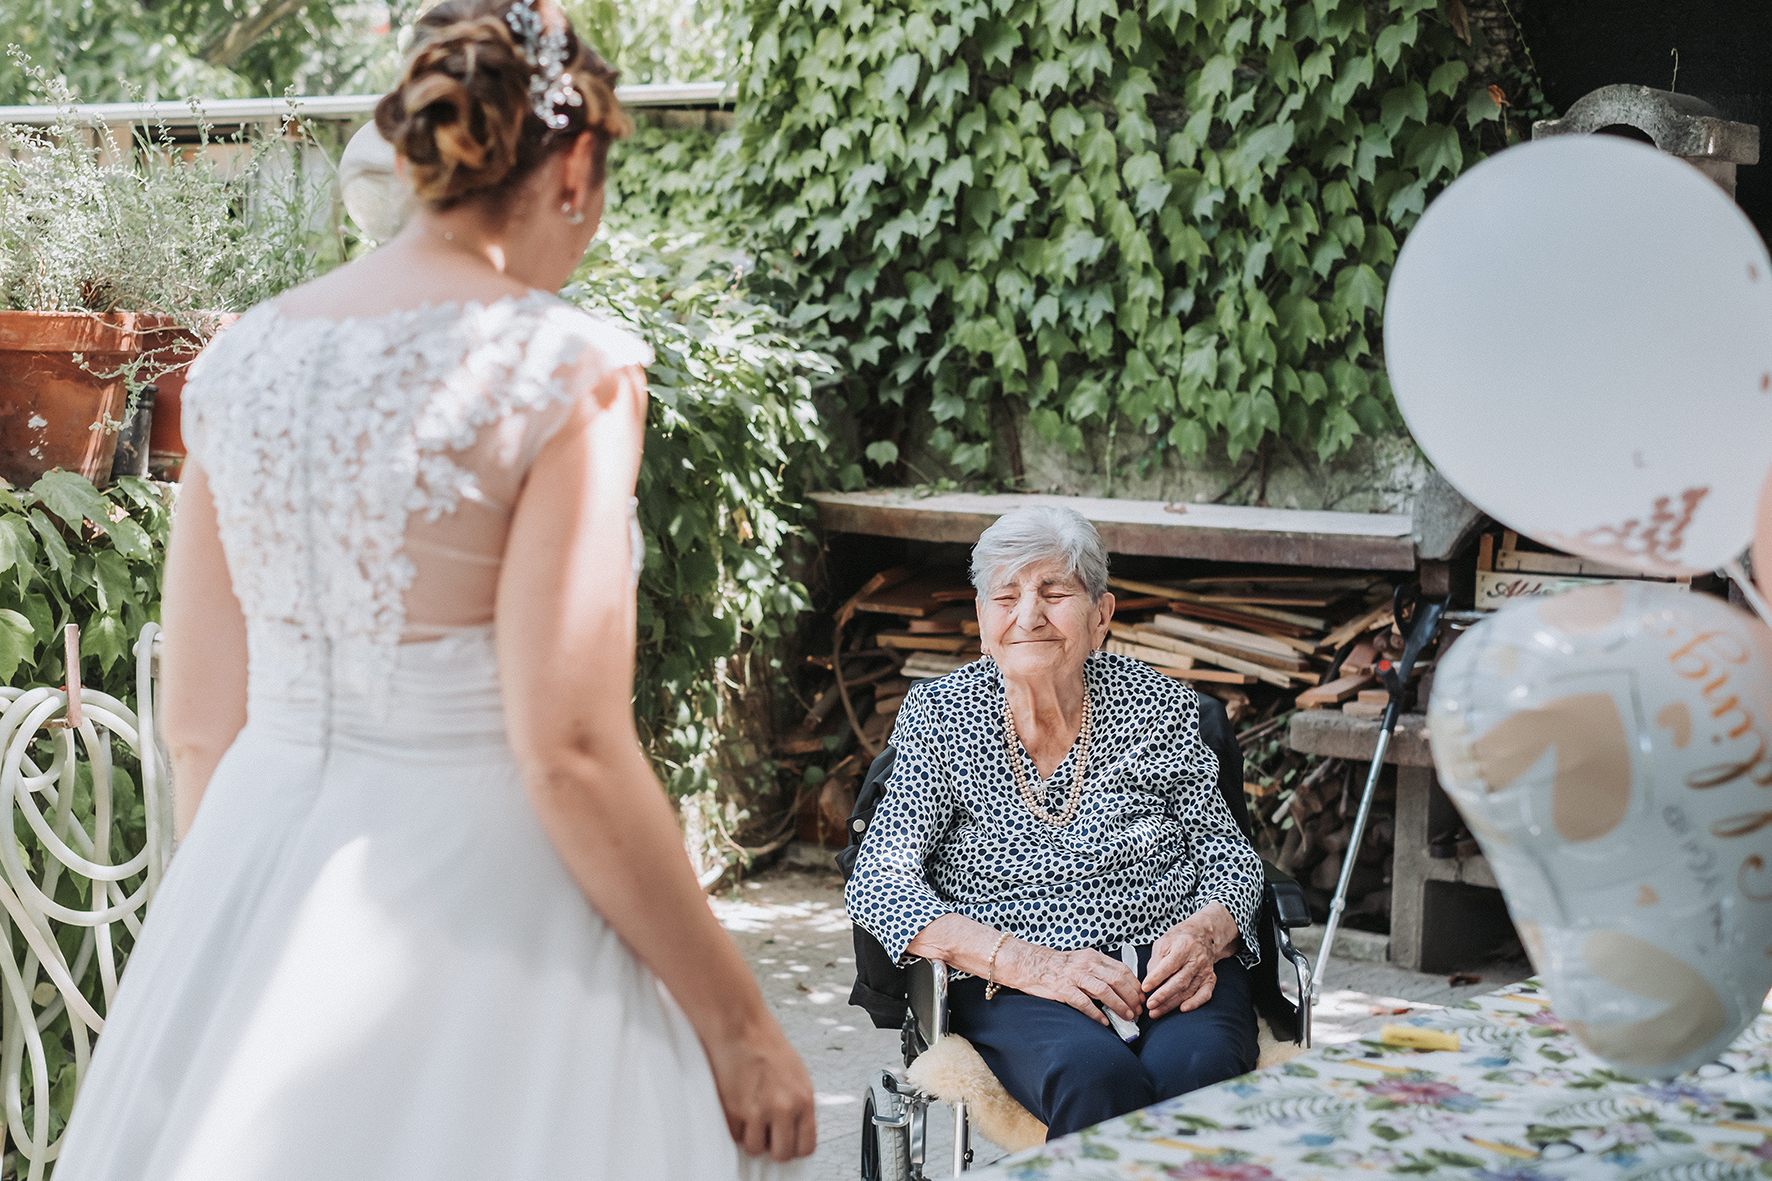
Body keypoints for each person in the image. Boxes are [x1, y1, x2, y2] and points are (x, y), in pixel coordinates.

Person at [52, 2, 815, 1176]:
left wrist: (230, 939)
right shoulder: (565, 365)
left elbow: (201, 726)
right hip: (483, 903)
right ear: (572, 171)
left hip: (252, 862)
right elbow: (564, 744)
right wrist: (740, 1023)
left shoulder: (242, 357)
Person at [844, 505, 1264, 1139]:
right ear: (983, 621)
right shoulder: (941, 715)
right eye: (1006, 596)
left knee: (1198, 1076)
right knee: (1094, 1081)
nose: (1029, 614)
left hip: (1167, 971)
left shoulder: (1164, 708)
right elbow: (880, 878)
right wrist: (1025, 962)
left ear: (1101, 616)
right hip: (1013, 983)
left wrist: (1205, 936)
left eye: (1055, 592)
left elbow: (1227, 851)